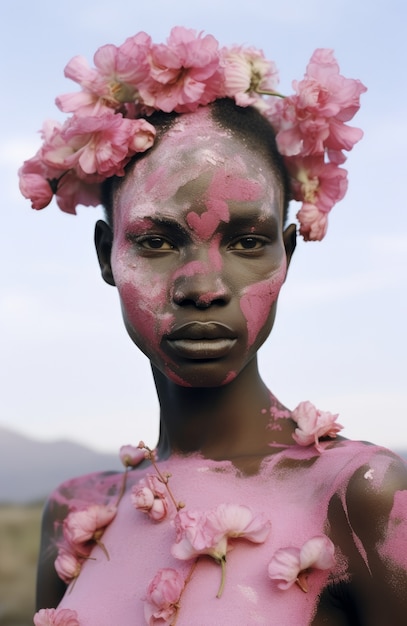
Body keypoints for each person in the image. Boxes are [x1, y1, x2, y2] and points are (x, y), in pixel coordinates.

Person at [19, 27, 407, 626]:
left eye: (248, 242)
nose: (204, 286)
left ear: (288, 255)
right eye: (156, 242)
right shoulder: (78, 513)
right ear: (106, 255)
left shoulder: (358, 495)